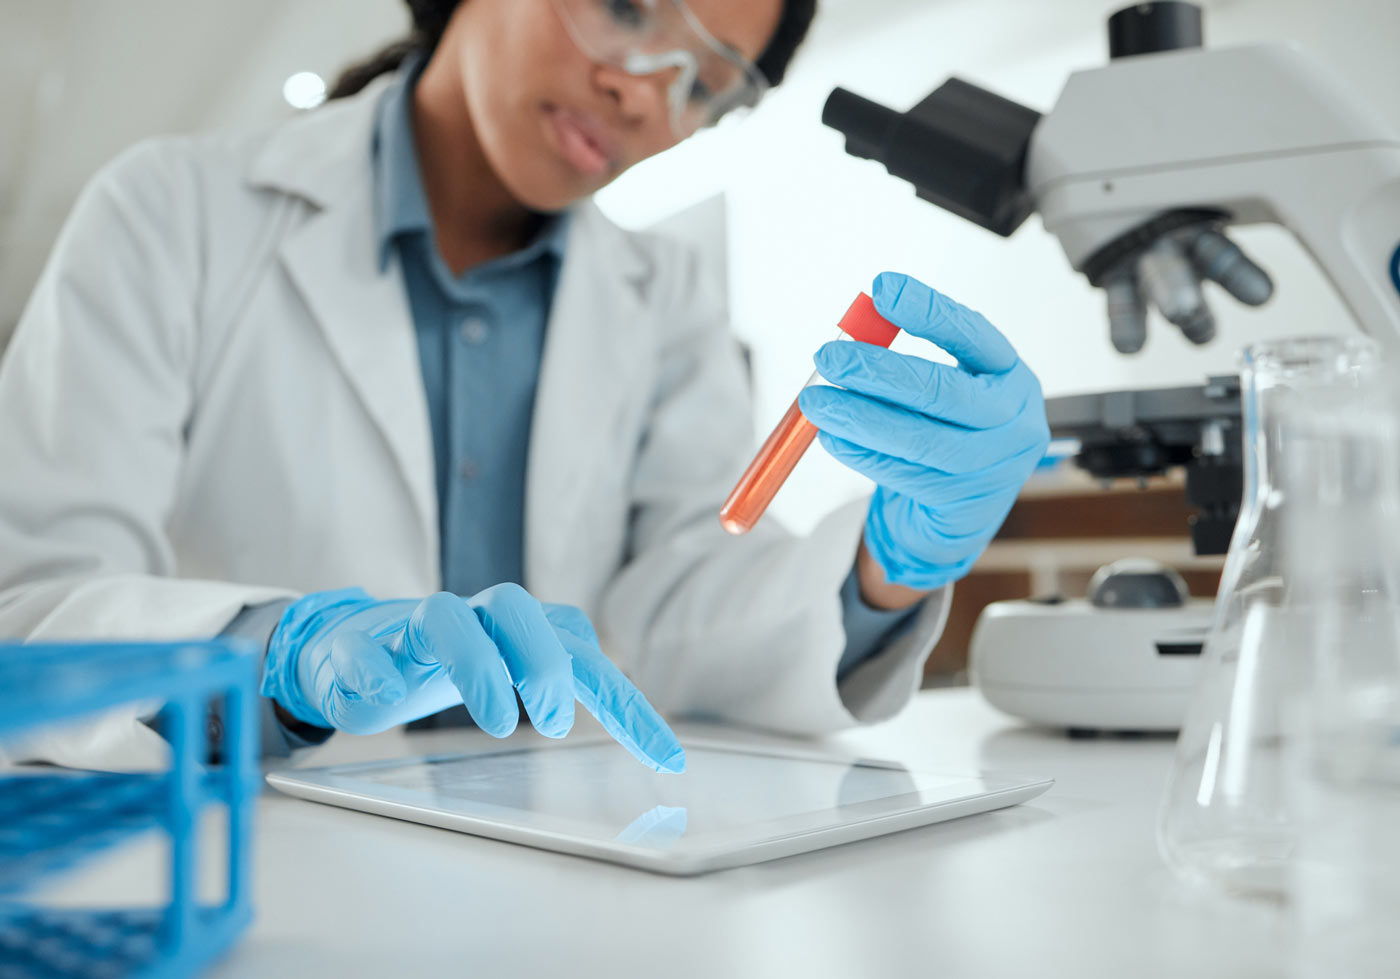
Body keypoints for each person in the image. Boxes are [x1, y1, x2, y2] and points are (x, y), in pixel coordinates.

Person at [0, 0, 1049, 771]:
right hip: (253, 868)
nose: (643, 92)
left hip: (566, 867)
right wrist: (277, 655)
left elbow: (674, 604)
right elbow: (29, 614)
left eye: (703, 80)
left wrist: (884, 564)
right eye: (626, 7)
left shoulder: (665, 295)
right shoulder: (168, 214)